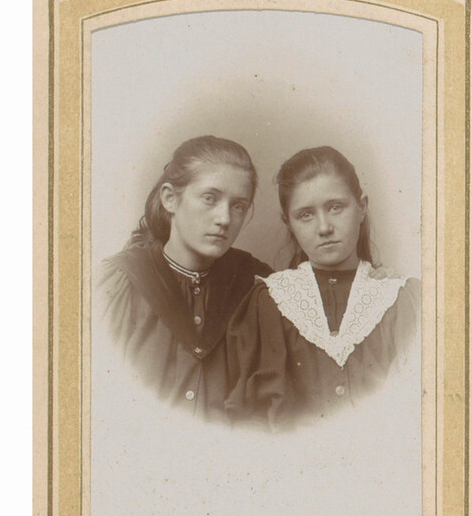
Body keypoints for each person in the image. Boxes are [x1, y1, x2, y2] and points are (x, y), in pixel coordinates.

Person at [225, 146, 421, 425]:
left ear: (362, 208)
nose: (324, 227)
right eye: (305, 215)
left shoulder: (400, 298)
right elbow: (251, 417)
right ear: (288, 223)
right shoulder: (269, 301)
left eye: (335, 207)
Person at [96, 135, 273, 420]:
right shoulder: (120, 284)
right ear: (170, 198)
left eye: (238, 205)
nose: (225, 218)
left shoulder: (258, 285)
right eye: (209, 198)